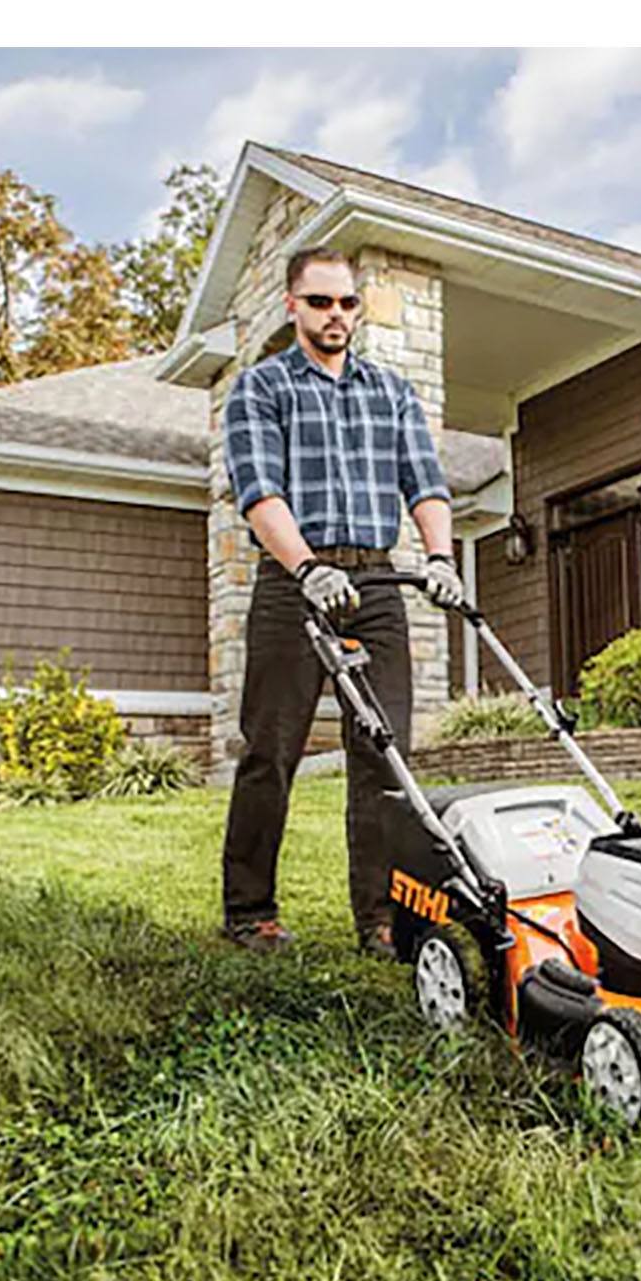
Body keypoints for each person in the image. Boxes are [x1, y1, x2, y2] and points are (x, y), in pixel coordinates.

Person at [218, 244, 466, 958]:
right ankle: (250, 910)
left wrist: (441, 557)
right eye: (321, 302)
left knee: (385, 754)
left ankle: (382, 918)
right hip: (292, 583)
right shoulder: (262, 388)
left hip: (378, 583)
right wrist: (305, 569)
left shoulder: (390, 392)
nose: (336, 315)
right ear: (293, 305)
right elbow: (259, 493)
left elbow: (425, 485)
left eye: (347, 302)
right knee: (271, 748)